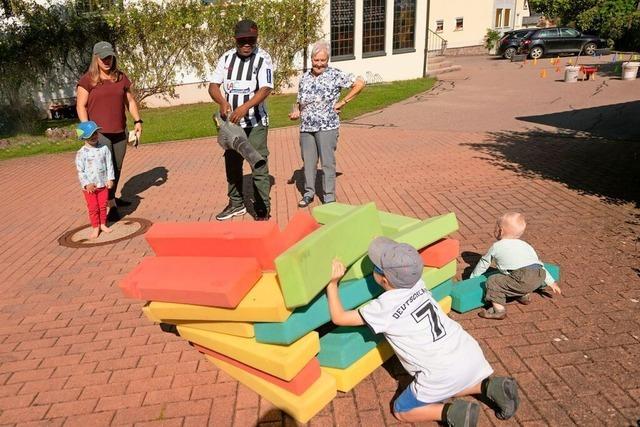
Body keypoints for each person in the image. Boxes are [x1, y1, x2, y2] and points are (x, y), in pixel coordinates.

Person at [326, 237, 519, 426]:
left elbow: (339, 317)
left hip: (441, 372)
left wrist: (333, 283)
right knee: (452, 384)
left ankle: (453, 413)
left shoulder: (383, 307)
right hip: (467, 350)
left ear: (383, 279)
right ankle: (490, 386)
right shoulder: (418, 283)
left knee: (401, 411)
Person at [209, 19, 273, 221]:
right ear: (235, 40)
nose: (247, 44)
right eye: (242, 40)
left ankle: (262, 206)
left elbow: (265, 88)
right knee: (233, 163)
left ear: (256, 39)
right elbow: (213, 85)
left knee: (258, 162)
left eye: (251, 40)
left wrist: (246, 107)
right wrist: (221, 101)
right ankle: (236, 204)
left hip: (255, 123)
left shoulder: (263, 58)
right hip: (232, 125)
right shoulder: (226, 58)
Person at [289, 40, 365, 208]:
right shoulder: (304, 78)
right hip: (306, 127)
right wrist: (296, 111)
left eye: (323, 60)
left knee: (327, 163)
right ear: (311, 60)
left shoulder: (335, 75)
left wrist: (343, 101)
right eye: (316, 60)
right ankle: (308, 193)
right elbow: (299, 102)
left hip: (327, 127)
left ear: (328, 60)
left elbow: (360, 83)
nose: (319, 64)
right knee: (308, 163)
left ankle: (329, 197)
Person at [76, 41, 143, 221]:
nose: (107, 60)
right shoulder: (87, 80)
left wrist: (137, 121)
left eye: (109, 57)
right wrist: (88, 129)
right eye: (103, 57)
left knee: (117, 167)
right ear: (96, 58)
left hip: (120, 131)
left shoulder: (120, 77)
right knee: (105, 167)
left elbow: (130, 101)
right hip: (99, 132)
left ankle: (111, 197)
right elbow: (80, 106)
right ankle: (110, 205)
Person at [470, 212, 561, 320]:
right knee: (519, 278)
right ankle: (523, 295)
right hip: (539, 276)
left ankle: (499, 310)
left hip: (523, 278)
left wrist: (473, 277)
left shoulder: (496, 246)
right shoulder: (526, 245)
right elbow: (538, 264)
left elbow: (484, 263)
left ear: (500, 231)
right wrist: (551, 282)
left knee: (493, 280)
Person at [75, 121, 114, 239]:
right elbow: (80, 171)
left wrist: (110, 179)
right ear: (83, 137)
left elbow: (109, 164)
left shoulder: (104, 148)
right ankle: (95, 227)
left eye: (95, 133)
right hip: (90, 187)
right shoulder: (81, 153)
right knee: (93, 208)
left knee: (103, 206)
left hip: (102, 184)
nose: (94, 137)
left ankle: (102, 224)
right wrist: (87, 184)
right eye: (90, 135)